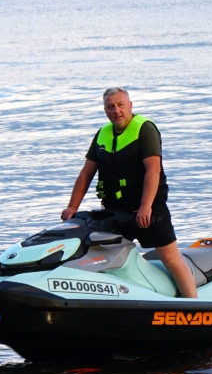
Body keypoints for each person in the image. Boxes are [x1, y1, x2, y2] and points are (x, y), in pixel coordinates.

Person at [61, 87, 198, 298]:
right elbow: (86, 173)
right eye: (110, 107)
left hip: (149, 211)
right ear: (105, 110)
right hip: (115, 213)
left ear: (130, 106)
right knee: (106, 259)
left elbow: (153, 169)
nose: (116, 110)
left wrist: (145, 208)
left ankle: (194, 305)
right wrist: (72, 207)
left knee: (170, 259)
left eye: (120, 105)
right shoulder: (102, 134)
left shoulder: (145, 129)